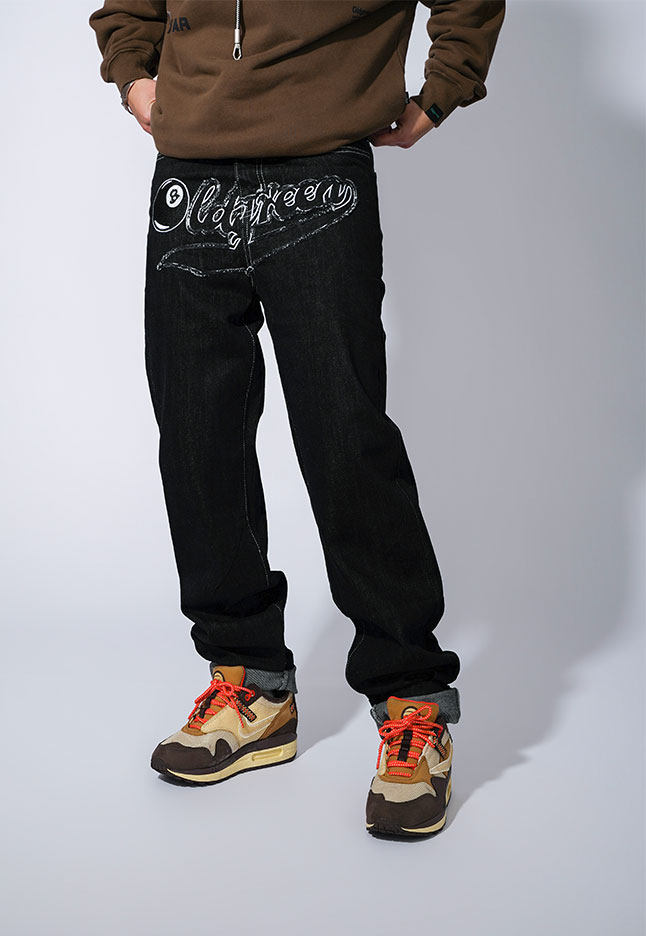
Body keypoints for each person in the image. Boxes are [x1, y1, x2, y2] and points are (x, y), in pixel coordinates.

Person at [89, 0, 505, 837]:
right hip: (191, 174)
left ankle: (413, 700)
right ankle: (251, 683)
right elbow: (129, 5)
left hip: (322, 166)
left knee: (343, 435)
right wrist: (134, 77)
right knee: (197, 436)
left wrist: (441, 90)